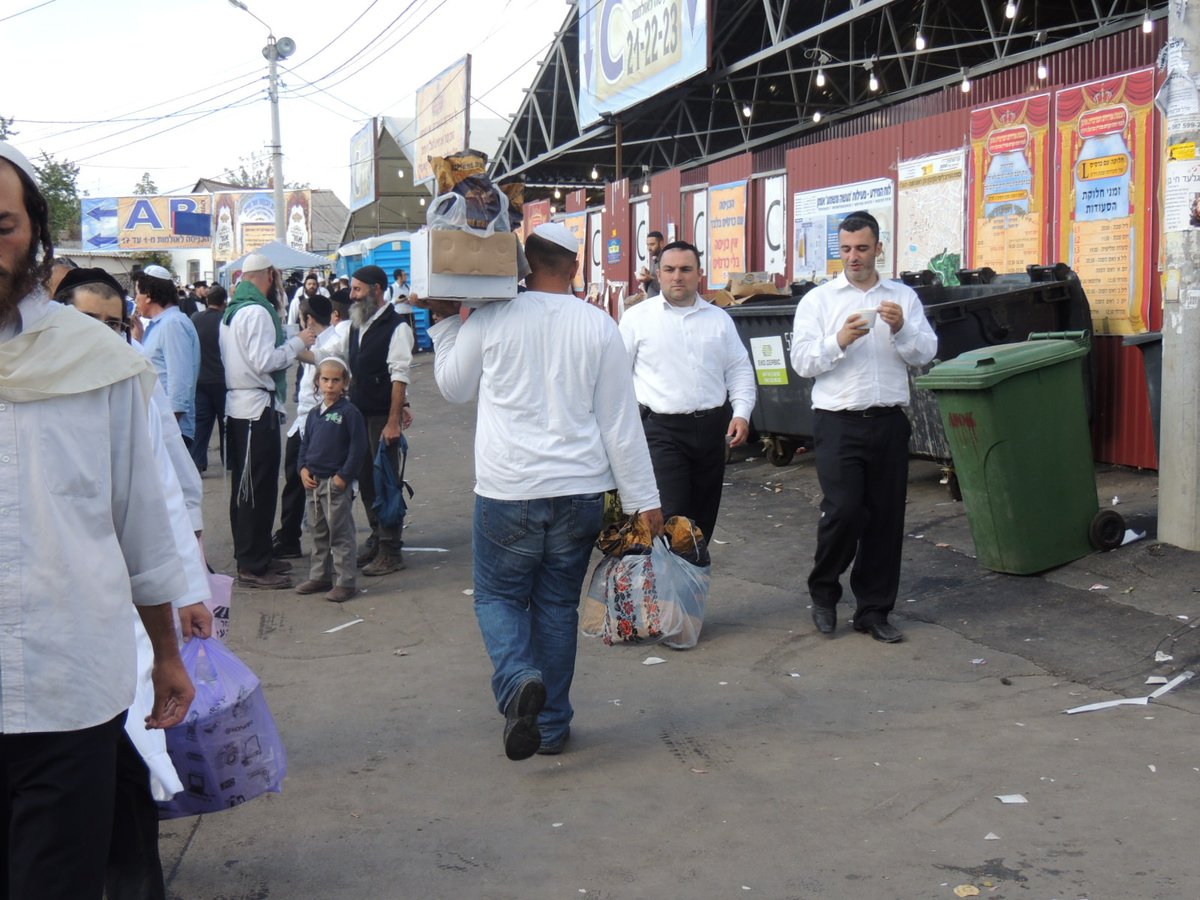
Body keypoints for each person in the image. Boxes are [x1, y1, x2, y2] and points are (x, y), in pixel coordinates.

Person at [0, 140, 195, 899]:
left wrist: (168, 653)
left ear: (35, 237)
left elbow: (141, 526)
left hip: (68, 692)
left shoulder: (96, 362)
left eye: (3, 226)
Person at [422, 222, 663, 761]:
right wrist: (646, 501)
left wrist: (442, 322)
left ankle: (517, 681)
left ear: (522, 264)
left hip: (509, 490)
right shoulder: (601, 327)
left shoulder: (490, 319)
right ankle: (551, 727)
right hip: (581, 492)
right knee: (556, 606)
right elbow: (620, 425)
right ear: (576, 267)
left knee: (498, 597)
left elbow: (454, 388)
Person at [54, 267, 215, 900]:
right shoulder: (25, 383)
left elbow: (164, 496)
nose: (100, 336)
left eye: (113, 325)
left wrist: (188, 591)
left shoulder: (131, 386)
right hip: (42, 623)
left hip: (118, 610)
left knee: (124, 756)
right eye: (85, 322)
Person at [789, 210, 937, 644]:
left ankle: (873, 610)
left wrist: (902, 328)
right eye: (846, 249)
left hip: (888, 419)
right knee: (845, 510)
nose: (853, 257)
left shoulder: (902, 298)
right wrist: (839, 340)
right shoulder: (819, 301)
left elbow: (924, 353)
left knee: (886, 519)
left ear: (878, 249)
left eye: (862, 248)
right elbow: (801, 361)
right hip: (837, 420)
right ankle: (824, 591)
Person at [619, 239, 755, 544]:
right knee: (673, 521)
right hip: (661, 432)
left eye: (685, 269)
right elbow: (616, 379)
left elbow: (739, 369)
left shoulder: (718, 320)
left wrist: (742, 413)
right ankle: (666, 590)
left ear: (699, 273)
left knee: (702, 524)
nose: (676, 276)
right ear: (657, 273)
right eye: (669, 269)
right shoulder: (637, 319)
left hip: (710, 432)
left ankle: (690, 589)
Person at [306, 264, 413, 576]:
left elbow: (399, 378)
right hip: (357, 414)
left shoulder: (397, 327)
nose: (351, 296)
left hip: (381, 416)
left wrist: (394, 421)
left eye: (357, 290)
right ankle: (378, 538)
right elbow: (330, 355)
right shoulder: (357, 324)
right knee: (365, 479)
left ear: (376, 291)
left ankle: (392, 548)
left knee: (386, 481)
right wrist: (293, 349)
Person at [220, 252, 316, 589]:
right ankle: (252, 563)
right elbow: (265, 361)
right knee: (253, 490)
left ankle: (258, 553)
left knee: (255, 489)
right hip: (253, 409)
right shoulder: (257, 312)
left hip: (244, 406)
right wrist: (296, 344)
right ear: (269, 277)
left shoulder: (232, 312)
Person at [296, 357, 369, 603]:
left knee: (340, 534)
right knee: (318, 532)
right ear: (317, 381)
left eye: (335, 380)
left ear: (345, 383)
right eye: (325, 379)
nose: (329, 385)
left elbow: (359, 448)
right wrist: (303, 469)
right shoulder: (315, 414)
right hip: (313, 484)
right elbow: (305, 445)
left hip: (335, 484)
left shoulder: (349, 413)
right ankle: (320, 576)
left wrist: (343, 477)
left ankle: (345, 581)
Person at [273, 293, 339, 559]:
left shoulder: (332, 342)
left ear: (309, 319)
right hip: (302, 422)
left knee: (316, 484)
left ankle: (324, 543)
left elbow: (316, 358)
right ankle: (289, 535)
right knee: (295, 480)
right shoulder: (322, 339)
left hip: (321, 423)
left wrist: (286, 345)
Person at [136, 264, 201, 449]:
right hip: (159, 426)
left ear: (148, 295)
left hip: (171, 430)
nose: (135, 299)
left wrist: (168, 428)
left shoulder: (173, 324)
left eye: (137, 293)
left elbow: (180, 380)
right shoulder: (159, 325)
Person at [190, 283, 228, 473]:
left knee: (201, 424)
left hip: (200, 379)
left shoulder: (195, 318)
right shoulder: (226, 321)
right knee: (226, 423)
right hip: (222, 380)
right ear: (224, 302)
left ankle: (198, 460)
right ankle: (229, 459)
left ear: (207, 300)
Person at [637, 229, 664, 297]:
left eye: (652, 244)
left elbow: (667, 286)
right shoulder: (655, 260)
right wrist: (646, 278)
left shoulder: (665, 260)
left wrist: (650, 279)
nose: (649, 248)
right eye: (648, 245)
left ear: (661, 244)